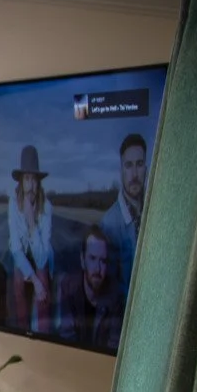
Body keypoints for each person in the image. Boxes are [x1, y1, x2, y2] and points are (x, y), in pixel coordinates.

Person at [6, 146, 54, 334]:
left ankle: (42, 334)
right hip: (23, 256)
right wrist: (32, 279)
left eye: (34, 180)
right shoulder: (12, 203)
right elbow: (16, 249)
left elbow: (42, 258)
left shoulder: (47, 207)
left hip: (40, 253)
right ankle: (22, 329)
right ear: (21, 182)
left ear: (39, 183)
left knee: (43, 280)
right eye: (27, 179)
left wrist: (32, 224)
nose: (31, 186)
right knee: (18, 280)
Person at [56, 224, 121, 351]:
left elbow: (113, 347)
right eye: (92, 258)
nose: (98, 269)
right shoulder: (68, 287)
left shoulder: (115, 297)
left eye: (103, 261)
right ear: (82, 260)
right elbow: (66, 339)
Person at [99, 132, 148, 293]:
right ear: (121, 170)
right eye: (128, 165)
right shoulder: (108, 223)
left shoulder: (157, 213)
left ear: (146, 168)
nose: (134, 174)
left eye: (139, 164)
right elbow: (108, 287)